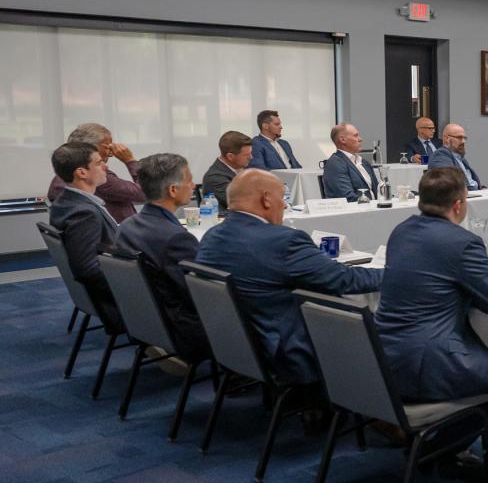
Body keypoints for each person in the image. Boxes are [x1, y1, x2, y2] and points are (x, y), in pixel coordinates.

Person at [373, 167, 488, 482]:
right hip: (426, 364)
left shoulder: (400, 231)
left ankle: (441, 443)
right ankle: (442, 450)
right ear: (458, 205)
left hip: (382, 358)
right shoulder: (463, 242)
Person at [195, 169, 383, 386]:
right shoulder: (283, 241)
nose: (284, 205)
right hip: (290, 351)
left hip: (239, 345)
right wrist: (398, 275)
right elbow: (345, 280)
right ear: (266, 199)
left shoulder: (211, 236)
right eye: (282, 197)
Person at [115, 153, 208, 360]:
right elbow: (200, 294)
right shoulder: (175, 238)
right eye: (190, 180)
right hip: (182, 328)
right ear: (173, 190)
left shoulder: (127, 226)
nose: (193, 186)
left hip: (148, 321)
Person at [48, 141, 119, 321]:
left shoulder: (65, 201)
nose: (105, 165)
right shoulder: (85, 213)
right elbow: (87, 269)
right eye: (98, 163)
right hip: (117, 300)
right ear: (81, 172)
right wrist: (131, 281)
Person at [47, 122, 145, 223]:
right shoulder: (97, 179)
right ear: (88, 149)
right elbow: (146, 193)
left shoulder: (61, 177)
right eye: (107, 147)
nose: (111, 153)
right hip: (119, 235)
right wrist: (130, 160)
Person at [323, 122, 379, 200]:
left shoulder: (364, 163)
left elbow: (378, 191)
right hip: (355, 210)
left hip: (374, 209)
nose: (360, 139)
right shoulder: (335, 164)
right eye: (355, 135)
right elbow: (348, 197)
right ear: (343, 140)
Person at [202, 131, 253, 211]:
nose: (251, 157)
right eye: (247, 155)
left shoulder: (241, 168)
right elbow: (243, 203)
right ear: (230, 156)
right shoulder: (215, 177)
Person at [428, 123, 482, 190]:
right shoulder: (440, 155)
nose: (463, 141)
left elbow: (470, 181)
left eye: (464, 138)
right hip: (458, 197)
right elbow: (449, 182)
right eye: (459, 138)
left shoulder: (460, 158)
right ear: (447, 139)